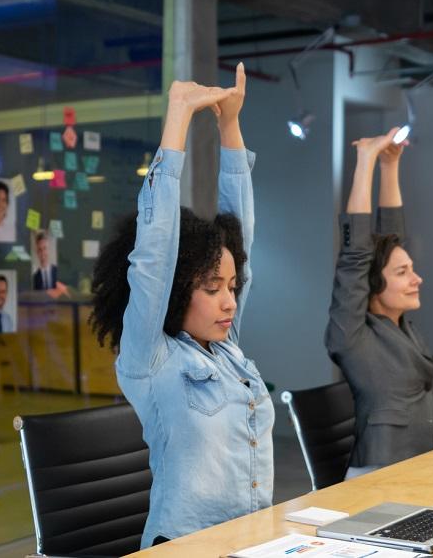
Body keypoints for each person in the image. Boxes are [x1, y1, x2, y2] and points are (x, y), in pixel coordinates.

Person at [90, 64, 271, 547]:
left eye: (232, 287)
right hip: (184, 547)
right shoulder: (151, 358)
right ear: (175, 291)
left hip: (250, 542)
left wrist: (229, 125)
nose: (229, 301)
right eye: (212, 288)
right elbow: (154, 255)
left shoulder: (226, 348)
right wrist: (178, 118)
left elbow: (241, 233)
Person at [325, 128, 433, 477]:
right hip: (380, 478)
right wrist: (366, 160)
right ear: (373, 284)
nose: (417, 278)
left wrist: (390, 167)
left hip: (425, 467)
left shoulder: (400, 327)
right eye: (403, 273)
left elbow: (392, 239)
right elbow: (355, 256)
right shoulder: (352, 334)